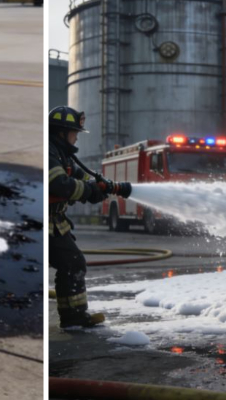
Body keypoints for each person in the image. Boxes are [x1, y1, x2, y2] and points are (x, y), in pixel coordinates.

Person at [47, 105, 132, 329]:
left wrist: (105, 187)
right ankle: (74, 317)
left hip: (55, 223)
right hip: (45, 223)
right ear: (61, 132)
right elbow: (58, 184)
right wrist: (89, 191)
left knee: (72, 264)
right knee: (72, 263)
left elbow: (83, 176)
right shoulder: (49, 152)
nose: (76, 138)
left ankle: (74, 317)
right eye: (74, 133)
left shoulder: (62, 155)